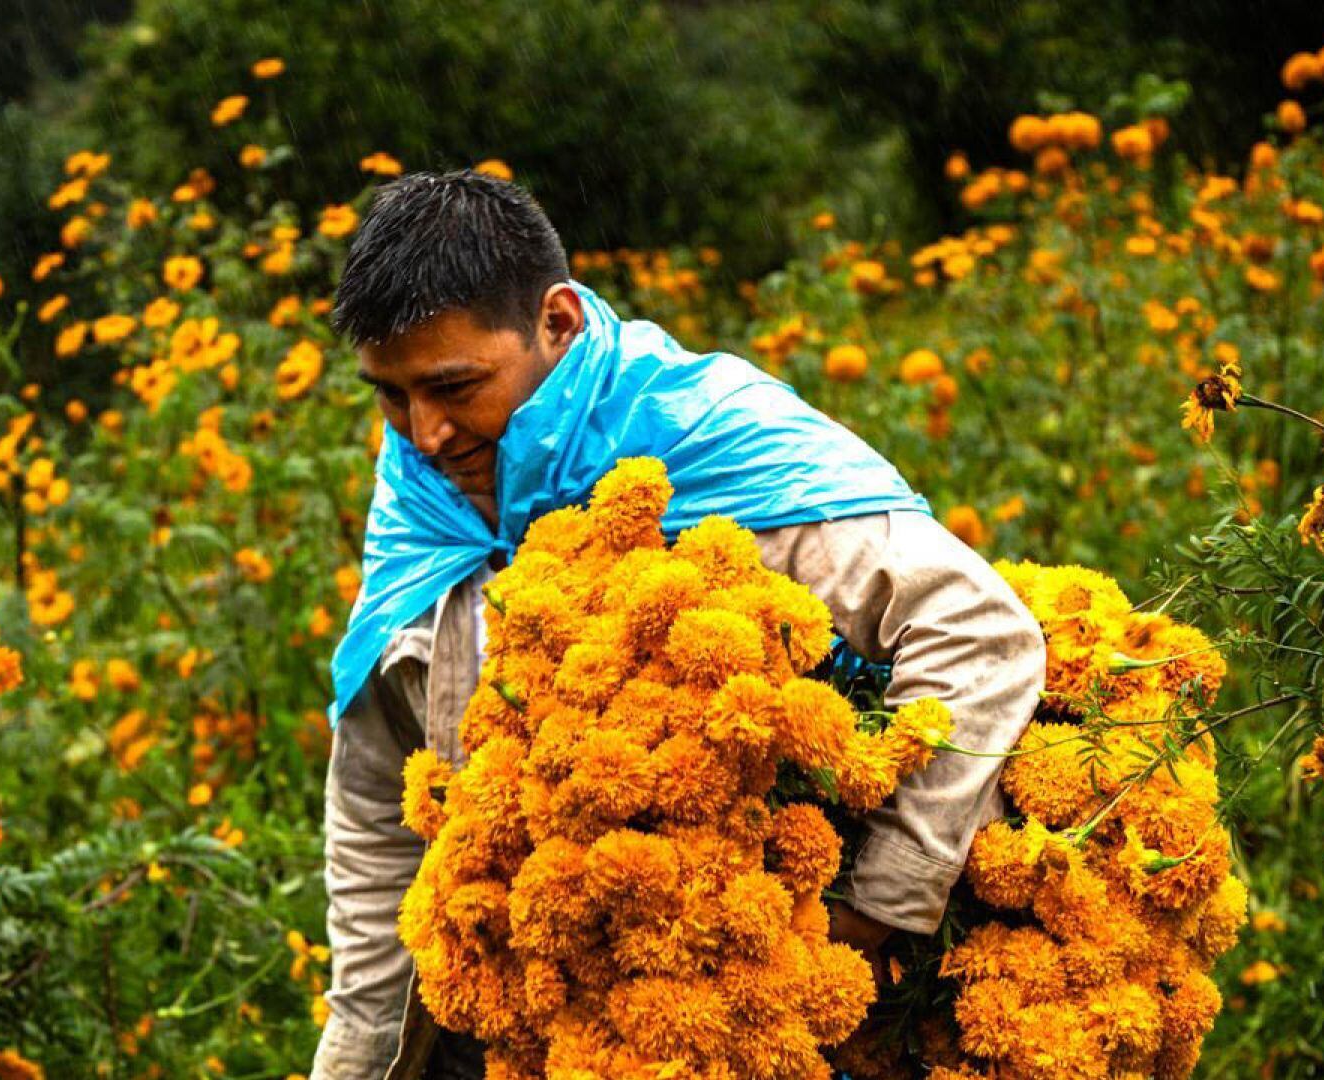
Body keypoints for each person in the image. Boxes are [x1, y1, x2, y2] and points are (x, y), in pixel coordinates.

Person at [310, 170, 1045, 1080]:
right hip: (525, 1023)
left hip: (754, 1009)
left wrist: (870, 908)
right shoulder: (423, 501)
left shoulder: (709, 442)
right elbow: (378, 805)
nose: (423, 435)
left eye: (454, 387)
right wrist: (363, 1052)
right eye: (391, 396)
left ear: (558, 322)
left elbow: (980, 634)